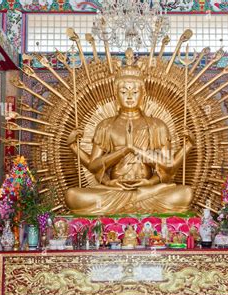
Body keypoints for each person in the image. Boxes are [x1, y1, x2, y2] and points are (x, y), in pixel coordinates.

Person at [65, 48, 194, 214]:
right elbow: (94, 166)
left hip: (148, 190)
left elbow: (168, 167)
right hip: (114, 190)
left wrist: (149, 179)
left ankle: (129, 204)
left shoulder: (157, 126)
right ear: (115, 95)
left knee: (184, 193)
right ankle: (132, 205)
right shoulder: (105, 126)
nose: (129, 96)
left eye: (135, 91)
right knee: (73, 195)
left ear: (143, 94)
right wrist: (110, 178)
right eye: (123, 91)